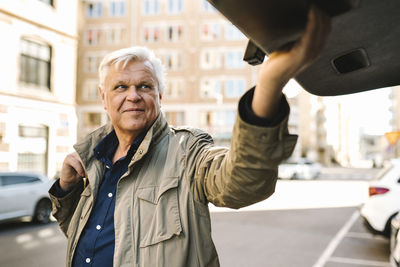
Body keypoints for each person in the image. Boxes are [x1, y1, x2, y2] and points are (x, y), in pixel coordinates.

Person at [49, 6, 331, 267]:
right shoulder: (92, 159)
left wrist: (269, 83)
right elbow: (82, 231)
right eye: (120, 87)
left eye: (144, 86)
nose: (133, 96)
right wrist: (65, 189)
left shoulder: (188, 152)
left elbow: (244, 182)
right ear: (103, 98)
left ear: (159, 95)